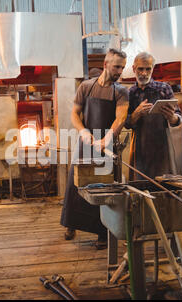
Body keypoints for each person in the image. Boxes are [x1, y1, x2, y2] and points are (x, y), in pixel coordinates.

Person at [60, 48, 129, 249]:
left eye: (123, 67)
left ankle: (102, 231)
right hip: (86, 142)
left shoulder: (121, 91)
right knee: (76, 184)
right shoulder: (86, 86)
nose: (120, 71)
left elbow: (121, 118)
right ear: (106, 64)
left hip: (106, 145)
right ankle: (71, 225)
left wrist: (107, 137)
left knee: (103, 188)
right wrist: (83, 131)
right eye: (117, 66)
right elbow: (74, 113)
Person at [125, 52, 182, 180]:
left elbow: (178, 119)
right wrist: (136, 113)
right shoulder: (130, 93)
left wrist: (171, 117)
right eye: (140, 69)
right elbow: (127, 124)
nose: (144, 73)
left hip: (162, 148)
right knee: (140, 188)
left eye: (148, 69)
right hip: (139, 149)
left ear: (153, 69)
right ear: (134, 69)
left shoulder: (164, 88)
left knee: (165, 187)